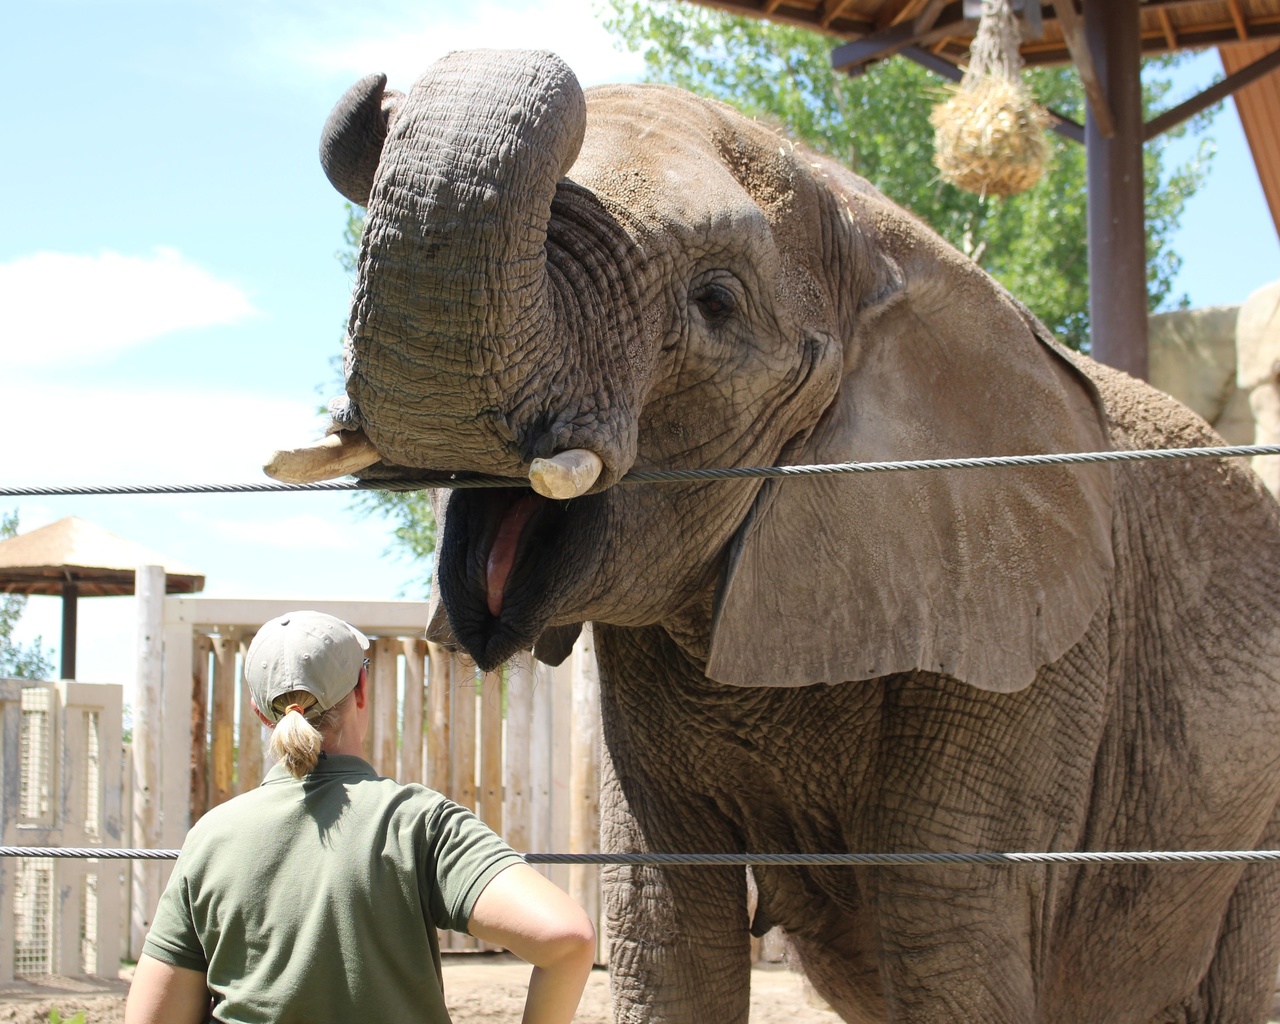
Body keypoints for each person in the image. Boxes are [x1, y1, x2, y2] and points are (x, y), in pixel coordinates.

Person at [125, 610, 595, 1024]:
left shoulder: (210, 838)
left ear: (259, 712)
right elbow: (567, 940)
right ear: (362, 688)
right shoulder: (417, 822)